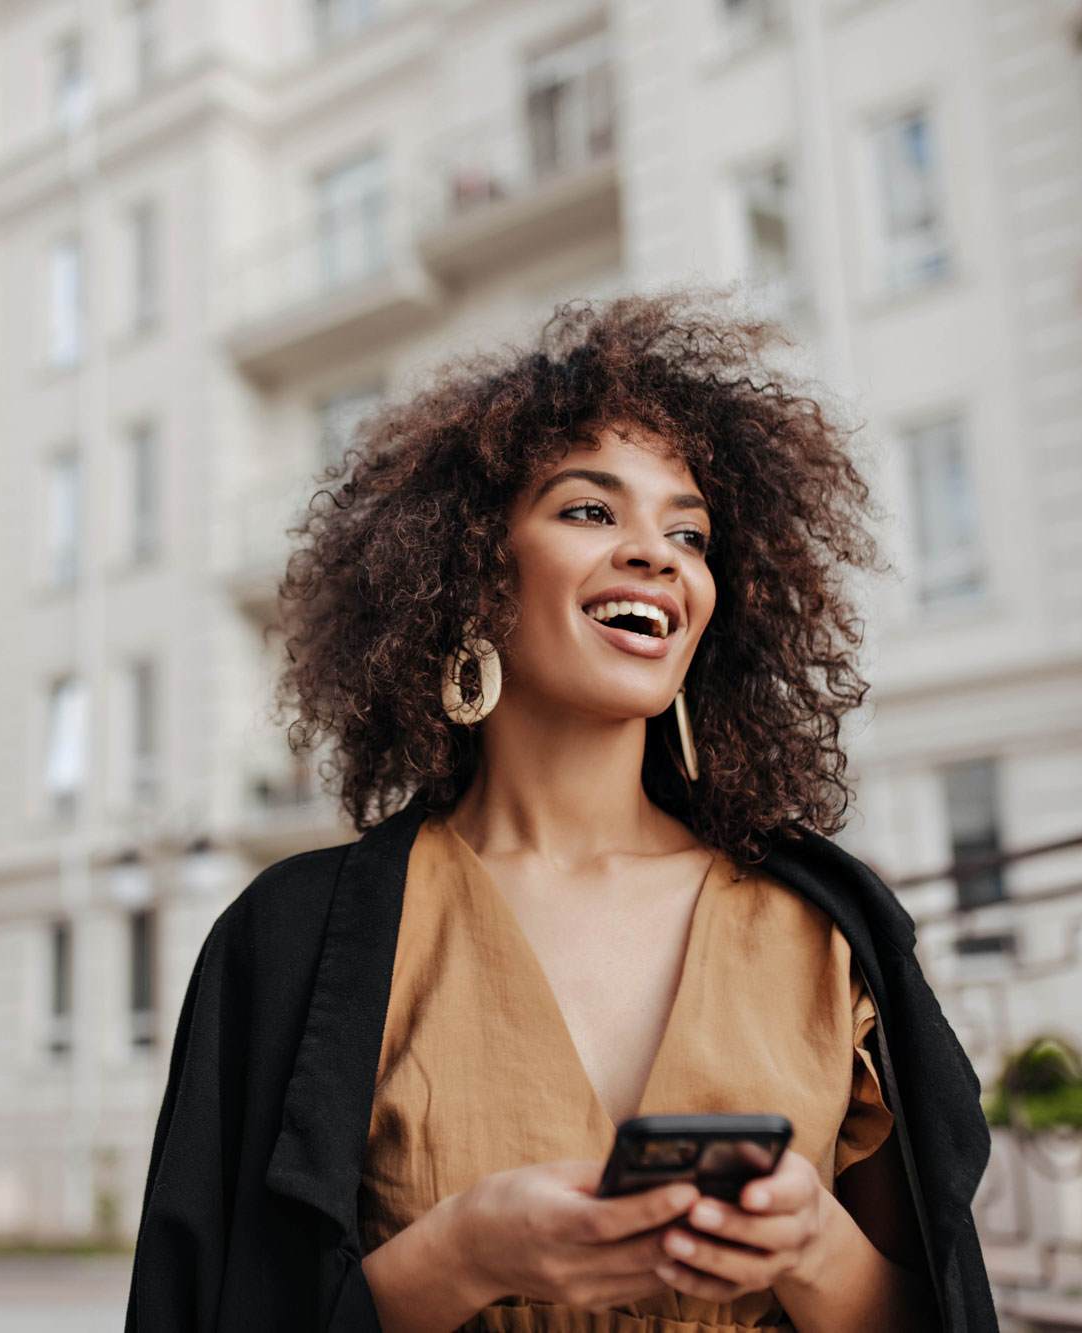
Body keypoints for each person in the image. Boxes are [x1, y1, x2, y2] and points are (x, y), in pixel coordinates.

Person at [127, 293, 996, 1331]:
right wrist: (460, 1253)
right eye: (590, 511)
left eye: (690, 532)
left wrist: (811, 1246)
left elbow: (934, 1310)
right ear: (468, 574)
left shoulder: (821, 930)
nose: (656, 553)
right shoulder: (287, 940)